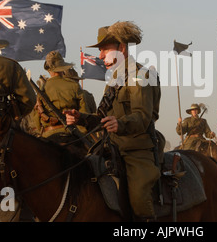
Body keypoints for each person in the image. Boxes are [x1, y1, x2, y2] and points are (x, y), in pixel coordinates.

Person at [65, 21, 164, 221]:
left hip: (136, 148)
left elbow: (142, 116)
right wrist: (81, 118)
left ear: (121, 48)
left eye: (104, 49)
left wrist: (120, 124)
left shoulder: (141, 75)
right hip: (111, 147)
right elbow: (103, 117)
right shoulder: (116, 79)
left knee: (139, 197)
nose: (100, 56)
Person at [34, 51, 90, 139]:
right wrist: (82, 132)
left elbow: (37, 120)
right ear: (62, 68)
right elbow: (84, 113)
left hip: (48, 136)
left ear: (48, 70)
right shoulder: (74, 85)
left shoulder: (41, 90)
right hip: (73, 134)